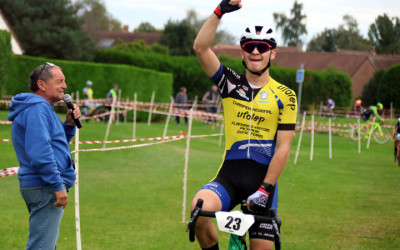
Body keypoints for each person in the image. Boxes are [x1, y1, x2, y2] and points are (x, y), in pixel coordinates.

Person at [190, 1, 297, 249]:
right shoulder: (229, 83)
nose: (256, 52)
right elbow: (200, 47)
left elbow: (283, 149)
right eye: (250, 46)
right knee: (199, 210)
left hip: (263, 183)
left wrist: (265, 189)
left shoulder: (286, 96)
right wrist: (220, 11)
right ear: (242, 52)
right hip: (229, 176)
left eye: (263, 47)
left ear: (273, 53)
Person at [7, 62, 80, 249]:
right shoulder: (37, 109)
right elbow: (40, 153)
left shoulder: (41, 108)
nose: (65, 86)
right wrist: (57, 185)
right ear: (42, 85)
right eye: (60, 81)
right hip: (45, 186)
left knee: (45, 244)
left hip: (42, 185)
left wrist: (69, 126)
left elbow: (54, 146)